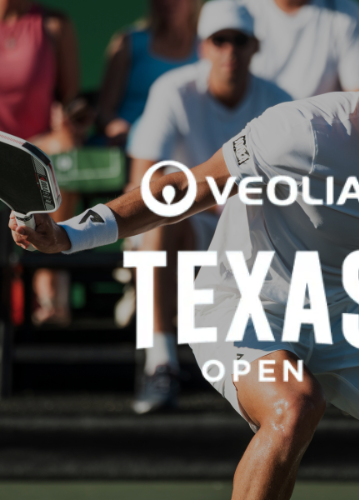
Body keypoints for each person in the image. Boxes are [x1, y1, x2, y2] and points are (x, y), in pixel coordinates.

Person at [10, 3, 359, 499]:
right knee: (295, 406)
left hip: (345, 316)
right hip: (240, 306)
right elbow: (187, 188)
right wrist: (71, 234)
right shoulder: (302, 131)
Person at [126, 0, 291, 414]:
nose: (229, 50)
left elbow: (291, 194)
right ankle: (160, 363)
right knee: (163, 213)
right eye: (220, 40)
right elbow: (143, 183)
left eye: (239, 40)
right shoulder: (172, 91)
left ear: (255, 47)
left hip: (253, 234)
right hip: (188, 229)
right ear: (203, 47)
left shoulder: (280, 102)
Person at [0, 0, 80, 325]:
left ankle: (50, 289)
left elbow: (71, 100)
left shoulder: (55, 26)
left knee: (66, 147)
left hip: (37, 147)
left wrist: (72, 119)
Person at [97, 0, 200, 146]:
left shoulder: (210, 46)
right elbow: (104, 111)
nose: (169, 2)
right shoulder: (128, 42)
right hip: (127, 146)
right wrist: (120, 130)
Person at [239, 0, 359, 99]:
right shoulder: (240, 9)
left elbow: (358, 97)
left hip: (320, 125)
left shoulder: (347, 13)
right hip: (255, 123)